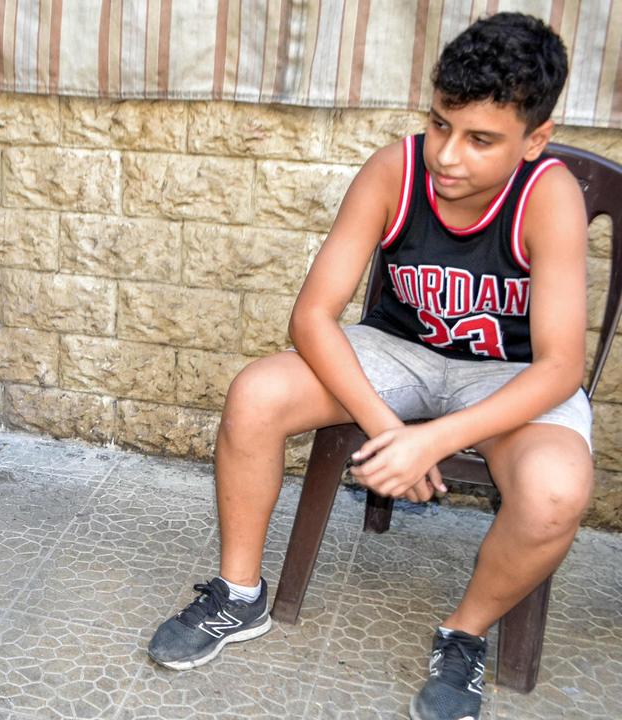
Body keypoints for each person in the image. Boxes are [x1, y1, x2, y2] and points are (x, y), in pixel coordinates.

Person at [147, 13, 591, 720]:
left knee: (557, 492)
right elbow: (312, 316)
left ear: (535, 139)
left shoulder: (550, 196)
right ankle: (238, 595)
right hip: (401, 352)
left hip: (504, 374)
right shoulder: (396, 169)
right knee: (256, 394)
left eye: (481, 140)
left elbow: (562, 365)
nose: (449, 156)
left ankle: (464, 635)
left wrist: (435, 439)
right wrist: (390, 430)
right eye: (441, 124)